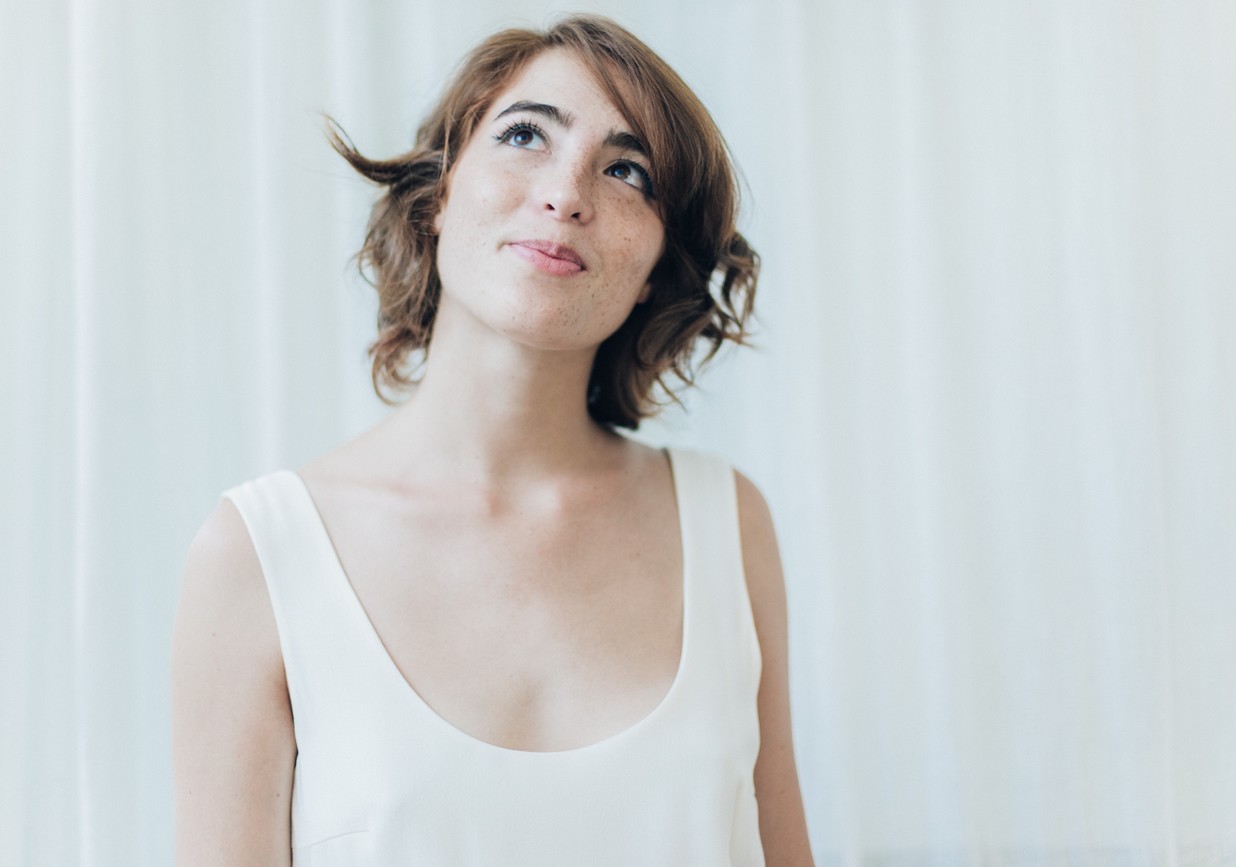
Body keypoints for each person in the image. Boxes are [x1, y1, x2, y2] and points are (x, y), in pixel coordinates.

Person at [171, 14, 813, 866]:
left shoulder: (727, 523)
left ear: (658, 266)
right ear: (439, 195)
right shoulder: (259, 554)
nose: (567, 193)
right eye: (524, 135)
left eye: (627, 170)